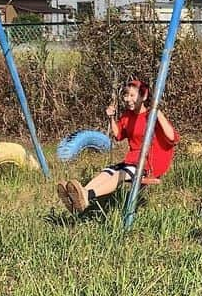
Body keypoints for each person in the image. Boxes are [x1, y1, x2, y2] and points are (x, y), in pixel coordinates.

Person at [57, 79, 179, 214]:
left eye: (132, 95)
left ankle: (87, 196)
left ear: (143, 96)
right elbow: (118, 135)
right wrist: (111, 118)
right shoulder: (128, 115)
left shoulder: (151, 115)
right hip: (133, 160)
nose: (128, 99)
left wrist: (158, 113)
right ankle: (80, 197)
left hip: (150, 163)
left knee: (120, 175)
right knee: (107, 172)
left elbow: (172, 137)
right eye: (126, 95)